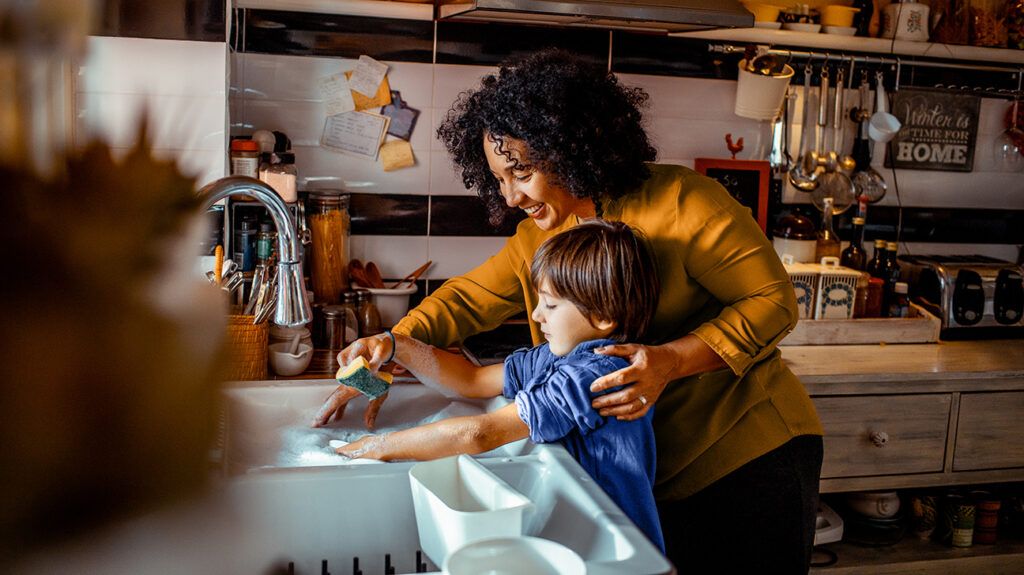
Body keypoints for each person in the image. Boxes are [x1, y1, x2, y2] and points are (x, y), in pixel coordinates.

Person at [314, 48, 823, 572]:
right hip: (645, 481)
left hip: (748, 456)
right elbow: (467, 301)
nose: (510, 196)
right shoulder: (543, 239)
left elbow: (774, 304)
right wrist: (385, 349)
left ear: (573, 147)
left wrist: (670, 360)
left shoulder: (685, 202)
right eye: (499, 179)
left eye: (523, 172)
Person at [334, 220, 664, 550]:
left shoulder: (598, 375)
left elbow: (481, 433)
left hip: (618, 549)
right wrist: (396, 344)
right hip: (576, 535)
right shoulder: (555, 357)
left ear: (603, 316)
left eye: (550, 304)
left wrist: (375, 446)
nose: (536, 316)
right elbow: (471, 380)